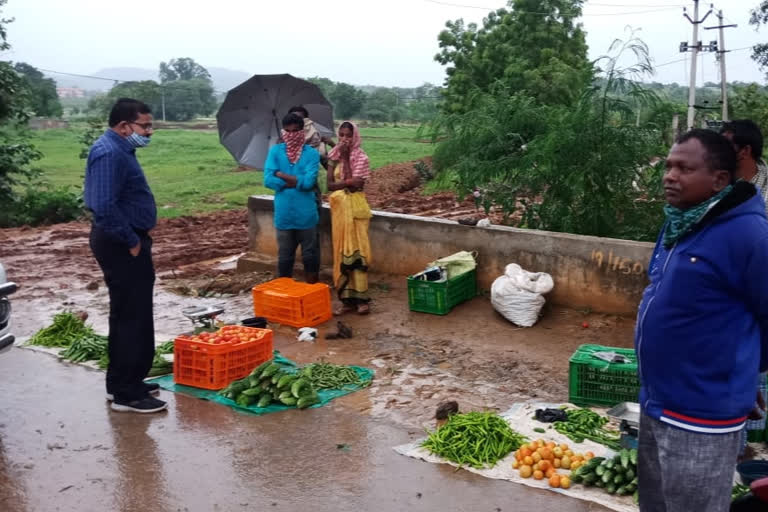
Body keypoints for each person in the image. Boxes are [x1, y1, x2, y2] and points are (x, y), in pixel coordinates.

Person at [636, 129, 768, 512]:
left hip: (701, 415)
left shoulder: (749, 236)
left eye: (683, 168)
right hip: (657, 401)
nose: (669, 176)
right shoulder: (680, 223)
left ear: (719, 180)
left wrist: (745, 372)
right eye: (668, 166)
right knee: (656, 504)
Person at [84, 98, 166, 413]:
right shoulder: (109, 152)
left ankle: (122, 381)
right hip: (121, 242)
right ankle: (127, 395)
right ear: (124, 126)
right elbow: (101, 205)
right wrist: (131, 240)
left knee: (127, 313)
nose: (149, 131)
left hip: (124, 239)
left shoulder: (120, 149)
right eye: (145, 126)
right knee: (133, 316)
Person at [721, 120, 768, 456]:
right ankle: (737, 452)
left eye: (726, 145)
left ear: (745, 150)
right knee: (736, 381)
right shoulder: (723, 189)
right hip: (733, 303)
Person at [263, 112, 321, 283]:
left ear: (302, 132)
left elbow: (310, 182)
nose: (292, 135)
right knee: (284, 256)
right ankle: (285, 291)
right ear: (283, 132)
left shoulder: (311, 154)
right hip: (284, 213)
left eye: (296, 131)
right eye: (288, 131)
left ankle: (311, 289)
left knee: (310, 255)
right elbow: (268, 180)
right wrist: (296, 181)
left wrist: (281, 175)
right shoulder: (275, 151)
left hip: (306, 214)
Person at [326, 121, 372, 315]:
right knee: (341, 253)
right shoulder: (333, 156)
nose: (345, 139)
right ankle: (346, 300)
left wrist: (346, 160)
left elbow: (356, 186)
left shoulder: (362, 158)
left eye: (348, 135)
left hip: (356, 210)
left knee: (357, 253)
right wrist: (345, 181)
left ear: (355, 137)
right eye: (342, 135)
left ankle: (362, 299)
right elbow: (329, 185)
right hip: (339, 210)